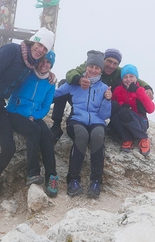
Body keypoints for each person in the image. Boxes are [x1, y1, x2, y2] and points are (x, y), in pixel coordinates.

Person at [0, 27, 55, 219]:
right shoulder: (12, 51)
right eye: (39, 44)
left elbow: (41, 76)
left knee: (9, 147)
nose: (40, 50)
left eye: (45, 49)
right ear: (33, 41)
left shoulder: (31, 65)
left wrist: (53, 75)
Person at [49, 48, 155, 142]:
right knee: (64, 83)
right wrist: (79, 80)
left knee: (117, 97)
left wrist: (147, 87)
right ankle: (56, 125)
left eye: (115, 63)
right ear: (103, 60)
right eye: (108, 61)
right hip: (83, 98)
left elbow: (133, 77)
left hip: (102, 102)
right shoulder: (93, 65)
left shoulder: (118, 71)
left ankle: (114, 128)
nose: (111, 65)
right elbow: (71, 73)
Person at [54, 50, 112, 199]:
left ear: (101, 70)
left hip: (97, 121)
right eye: (91, 66)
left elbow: (105, 115)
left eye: (97, 68)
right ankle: (73, 180)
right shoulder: (75, 83)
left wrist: (107, 100)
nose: (93, 70)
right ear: (86, 66)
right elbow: (55, 95)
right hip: (77, 120)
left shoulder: (104, 88)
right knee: (82, 135)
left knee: (98, 135)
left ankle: (96, 182)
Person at [6, 51, 59, 197]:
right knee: (34, 130)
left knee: (47, 134)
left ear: (51, 65)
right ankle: (32, 173)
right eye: (42, 60)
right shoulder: (25, 73)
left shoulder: (50, 83)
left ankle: (52, 176)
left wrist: (34, 116)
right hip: (14, 113)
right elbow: (2, 77)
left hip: (32, 116)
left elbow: (45, 106)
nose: (44, 64)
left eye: (48, 62)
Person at [109, 64, 155, 156]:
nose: (128, 79)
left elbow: (150, 109)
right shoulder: (118, 90)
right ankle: (127, 139)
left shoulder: (141, 90)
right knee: (114, 113)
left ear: (136, 78)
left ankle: (143, 138)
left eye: (131, 76)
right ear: (122, 79)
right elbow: (112, 106)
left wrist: (138, 91)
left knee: (124, 113)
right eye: (125, 77)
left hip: (140, 122)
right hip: (124, 120)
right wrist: (121, 105)